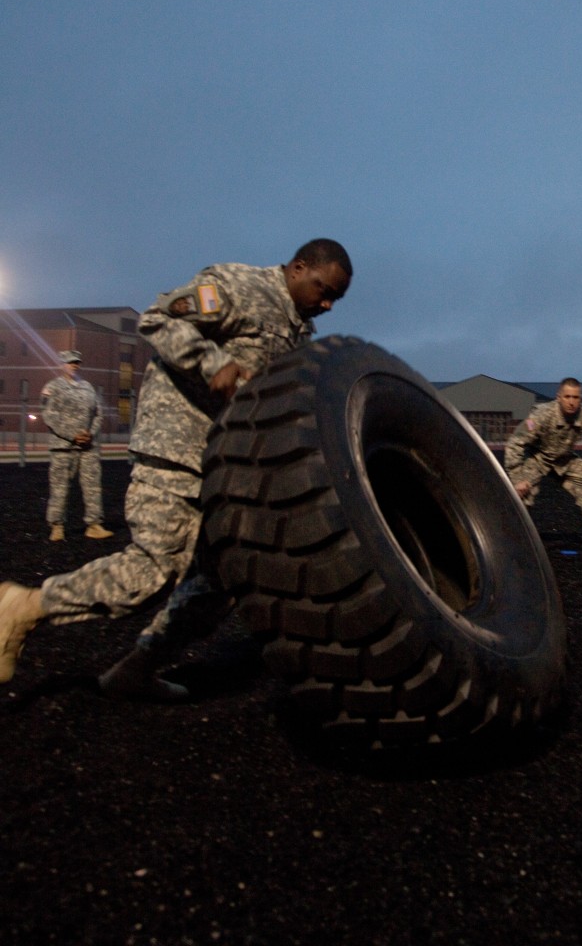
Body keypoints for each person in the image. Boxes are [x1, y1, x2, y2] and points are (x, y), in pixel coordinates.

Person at [0, 239, 353, 694]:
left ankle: (137, 669)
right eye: (323, 289)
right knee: (156, 566)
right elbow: (159, 318)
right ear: (299, 267)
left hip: (227, 469)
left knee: (221, 582)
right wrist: (211, 362)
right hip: (177, 446)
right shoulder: (238, 285)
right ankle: (24, 606)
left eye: (334, 300)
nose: (325, 303)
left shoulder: (298, 334)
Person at [504, 377, 582, 554]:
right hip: (538, 457)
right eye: (567, 397)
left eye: (575, 398)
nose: (571, 402)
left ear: (580, 398)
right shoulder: (541, 415)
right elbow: (515, 442)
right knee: (520, 494)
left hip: (565, 459)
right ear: (558, 397)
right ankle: (511, 540)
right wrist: (517, 478)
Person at [40, 350, 113, 542]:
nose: (74, 365)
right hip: (63, 446)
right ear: (61, 364)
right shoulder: (52, 387)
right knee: (60, 488)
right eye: (70, 362)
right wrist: (72, 435)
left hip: (88, 446)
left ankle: (94, 524)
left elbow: (98, 413)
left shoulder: (87, 387)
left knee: (92, 487)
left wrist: (90, 434)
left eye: (76, 362)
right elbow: (49, 415)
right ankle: (57, 526)